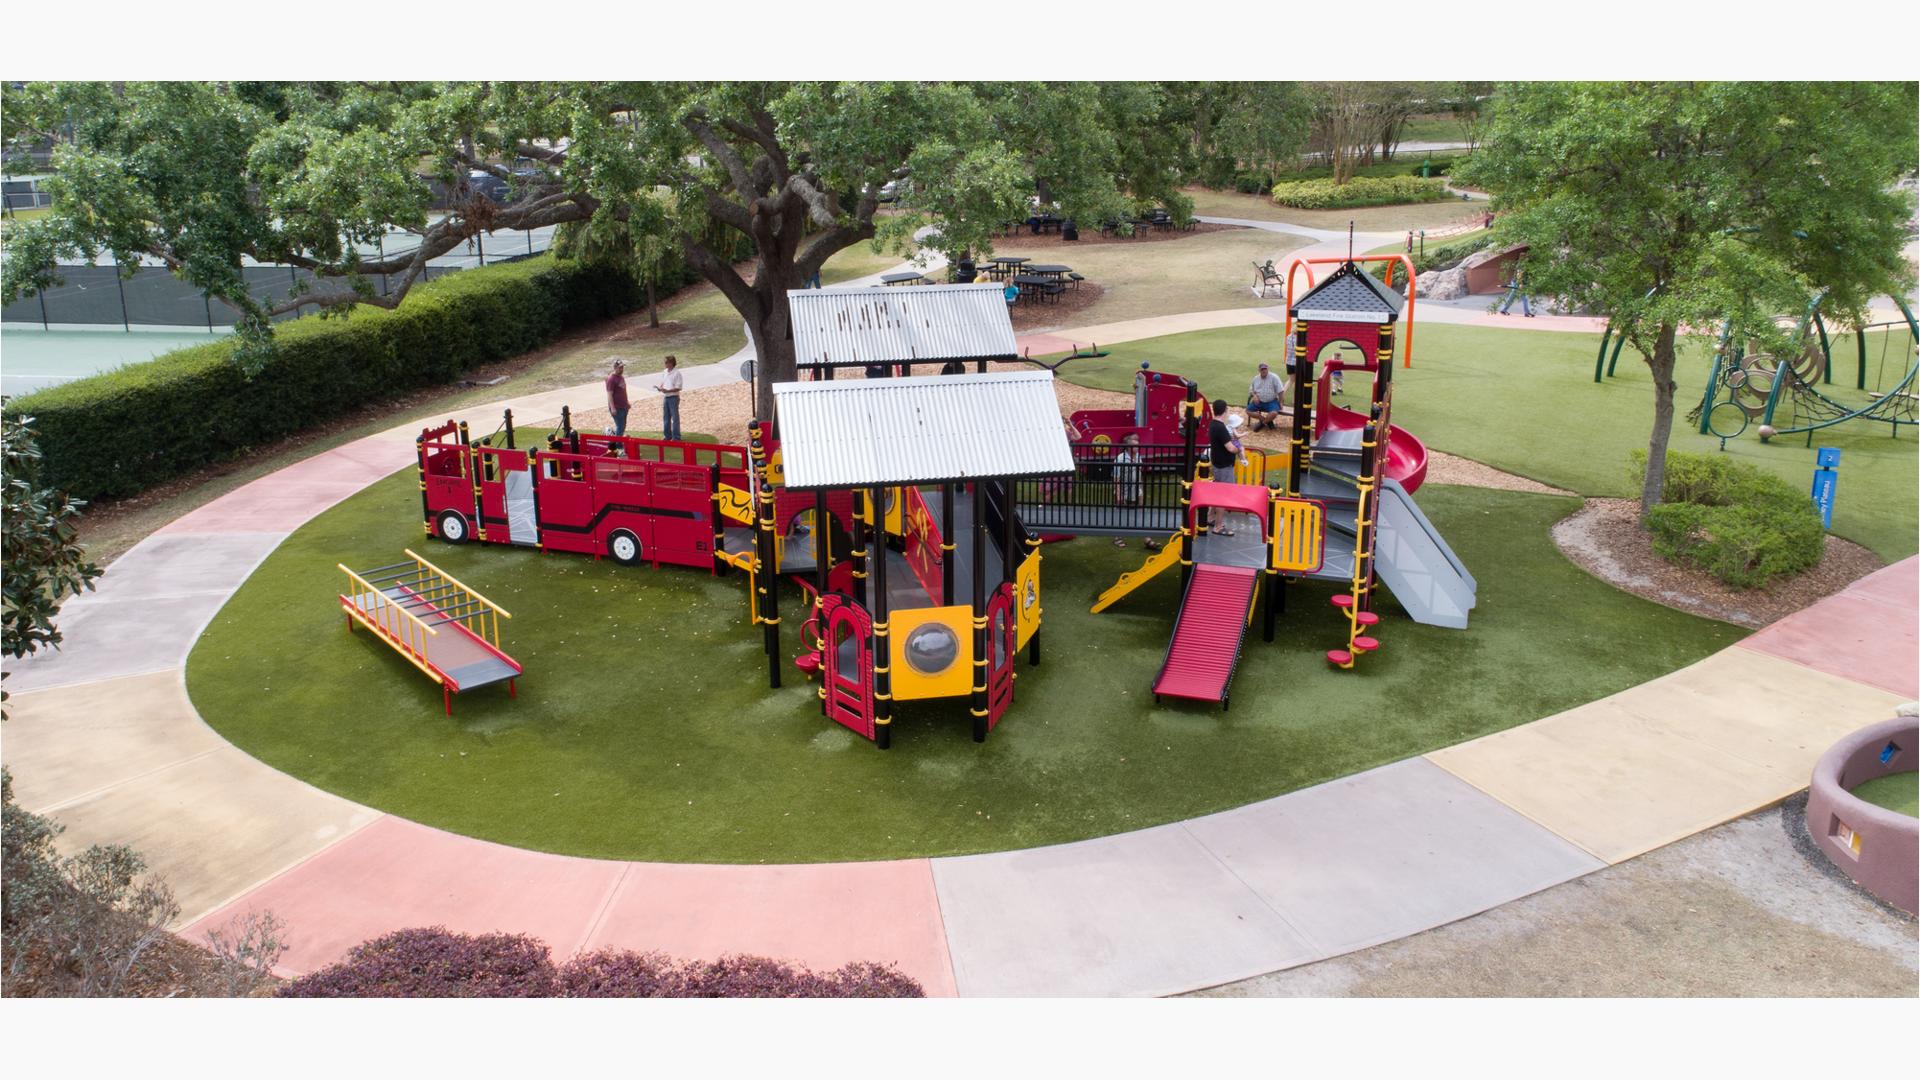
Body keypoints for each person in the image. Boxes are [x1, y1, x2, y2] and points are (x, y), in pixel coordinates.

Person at [1111, 433, 1159, 550]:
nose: (1138, 448)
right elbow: (1116, 478)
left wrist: (1141, 489)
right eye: (1135, 446)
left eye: (1138, 446)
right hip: (1124, 491)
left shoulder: (1138, 457)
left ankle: (1147, 540)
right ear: (1128, 447)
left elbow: (1139, 474)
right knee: (1122, 516)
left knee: (1141, 514)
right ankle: (1118, 538)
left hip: (1137, 491)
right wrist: (1118, 494)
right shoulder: (1120, 459)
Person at [1207, 399, 1243, 536]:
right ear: (1225, 410)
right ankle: (1218, 526)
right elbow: (1230, 448)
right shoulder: (1221, 428)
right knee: (1223, 496)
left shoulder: (1213, 424)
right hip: (1224, 467)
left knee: (1217, 492)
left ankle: (1210, 517)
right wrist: (1238, 449)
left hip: (1217, 465)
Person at [1246, 361, 1287, 431]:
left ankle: (1262, 424)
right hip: (1259, 401)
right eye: (1262, 369)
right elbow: (1251, 389)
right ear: (1259, 370)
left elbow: (1281, 391)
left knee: (1274, 413)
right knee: (1248, 411)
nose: (1264, 370)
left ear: (1268, 369)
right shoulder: (1256, 378)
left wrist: (1281, 402)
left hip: (1271, 401)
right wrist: (1254, 395)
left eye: (1265, 369)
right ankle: (1267, 421)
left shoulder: (1274, 377)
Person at [654, 354, 683, 440]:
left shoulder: (677, 373)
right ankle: (667, 436)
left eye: (666, 362)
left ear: (671, 363)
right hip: (666, 397)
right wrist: (660, 388)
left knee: (675, 418)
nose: (665, 364)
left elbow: (678, 387)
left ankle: (676, 437)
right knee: (666, 417)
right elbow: (663, 382)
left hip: (673, 397)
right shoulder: (665, 372)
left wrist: (668, 391)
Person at [605, 359, 630, 436]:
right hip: (617, 407)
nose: (622, 369)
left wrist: (627, 402)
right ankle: (618, 445)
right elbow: (609, 394)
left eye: (622, 367)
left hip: (624, 406)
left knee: (623, 426)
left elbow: (623, 391)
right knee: (620, 426)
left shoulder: (621, 377)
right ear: (615, 368)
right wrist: (612, 408)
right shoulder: (611, 379)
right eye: (620, 367)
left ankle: (618, 440)